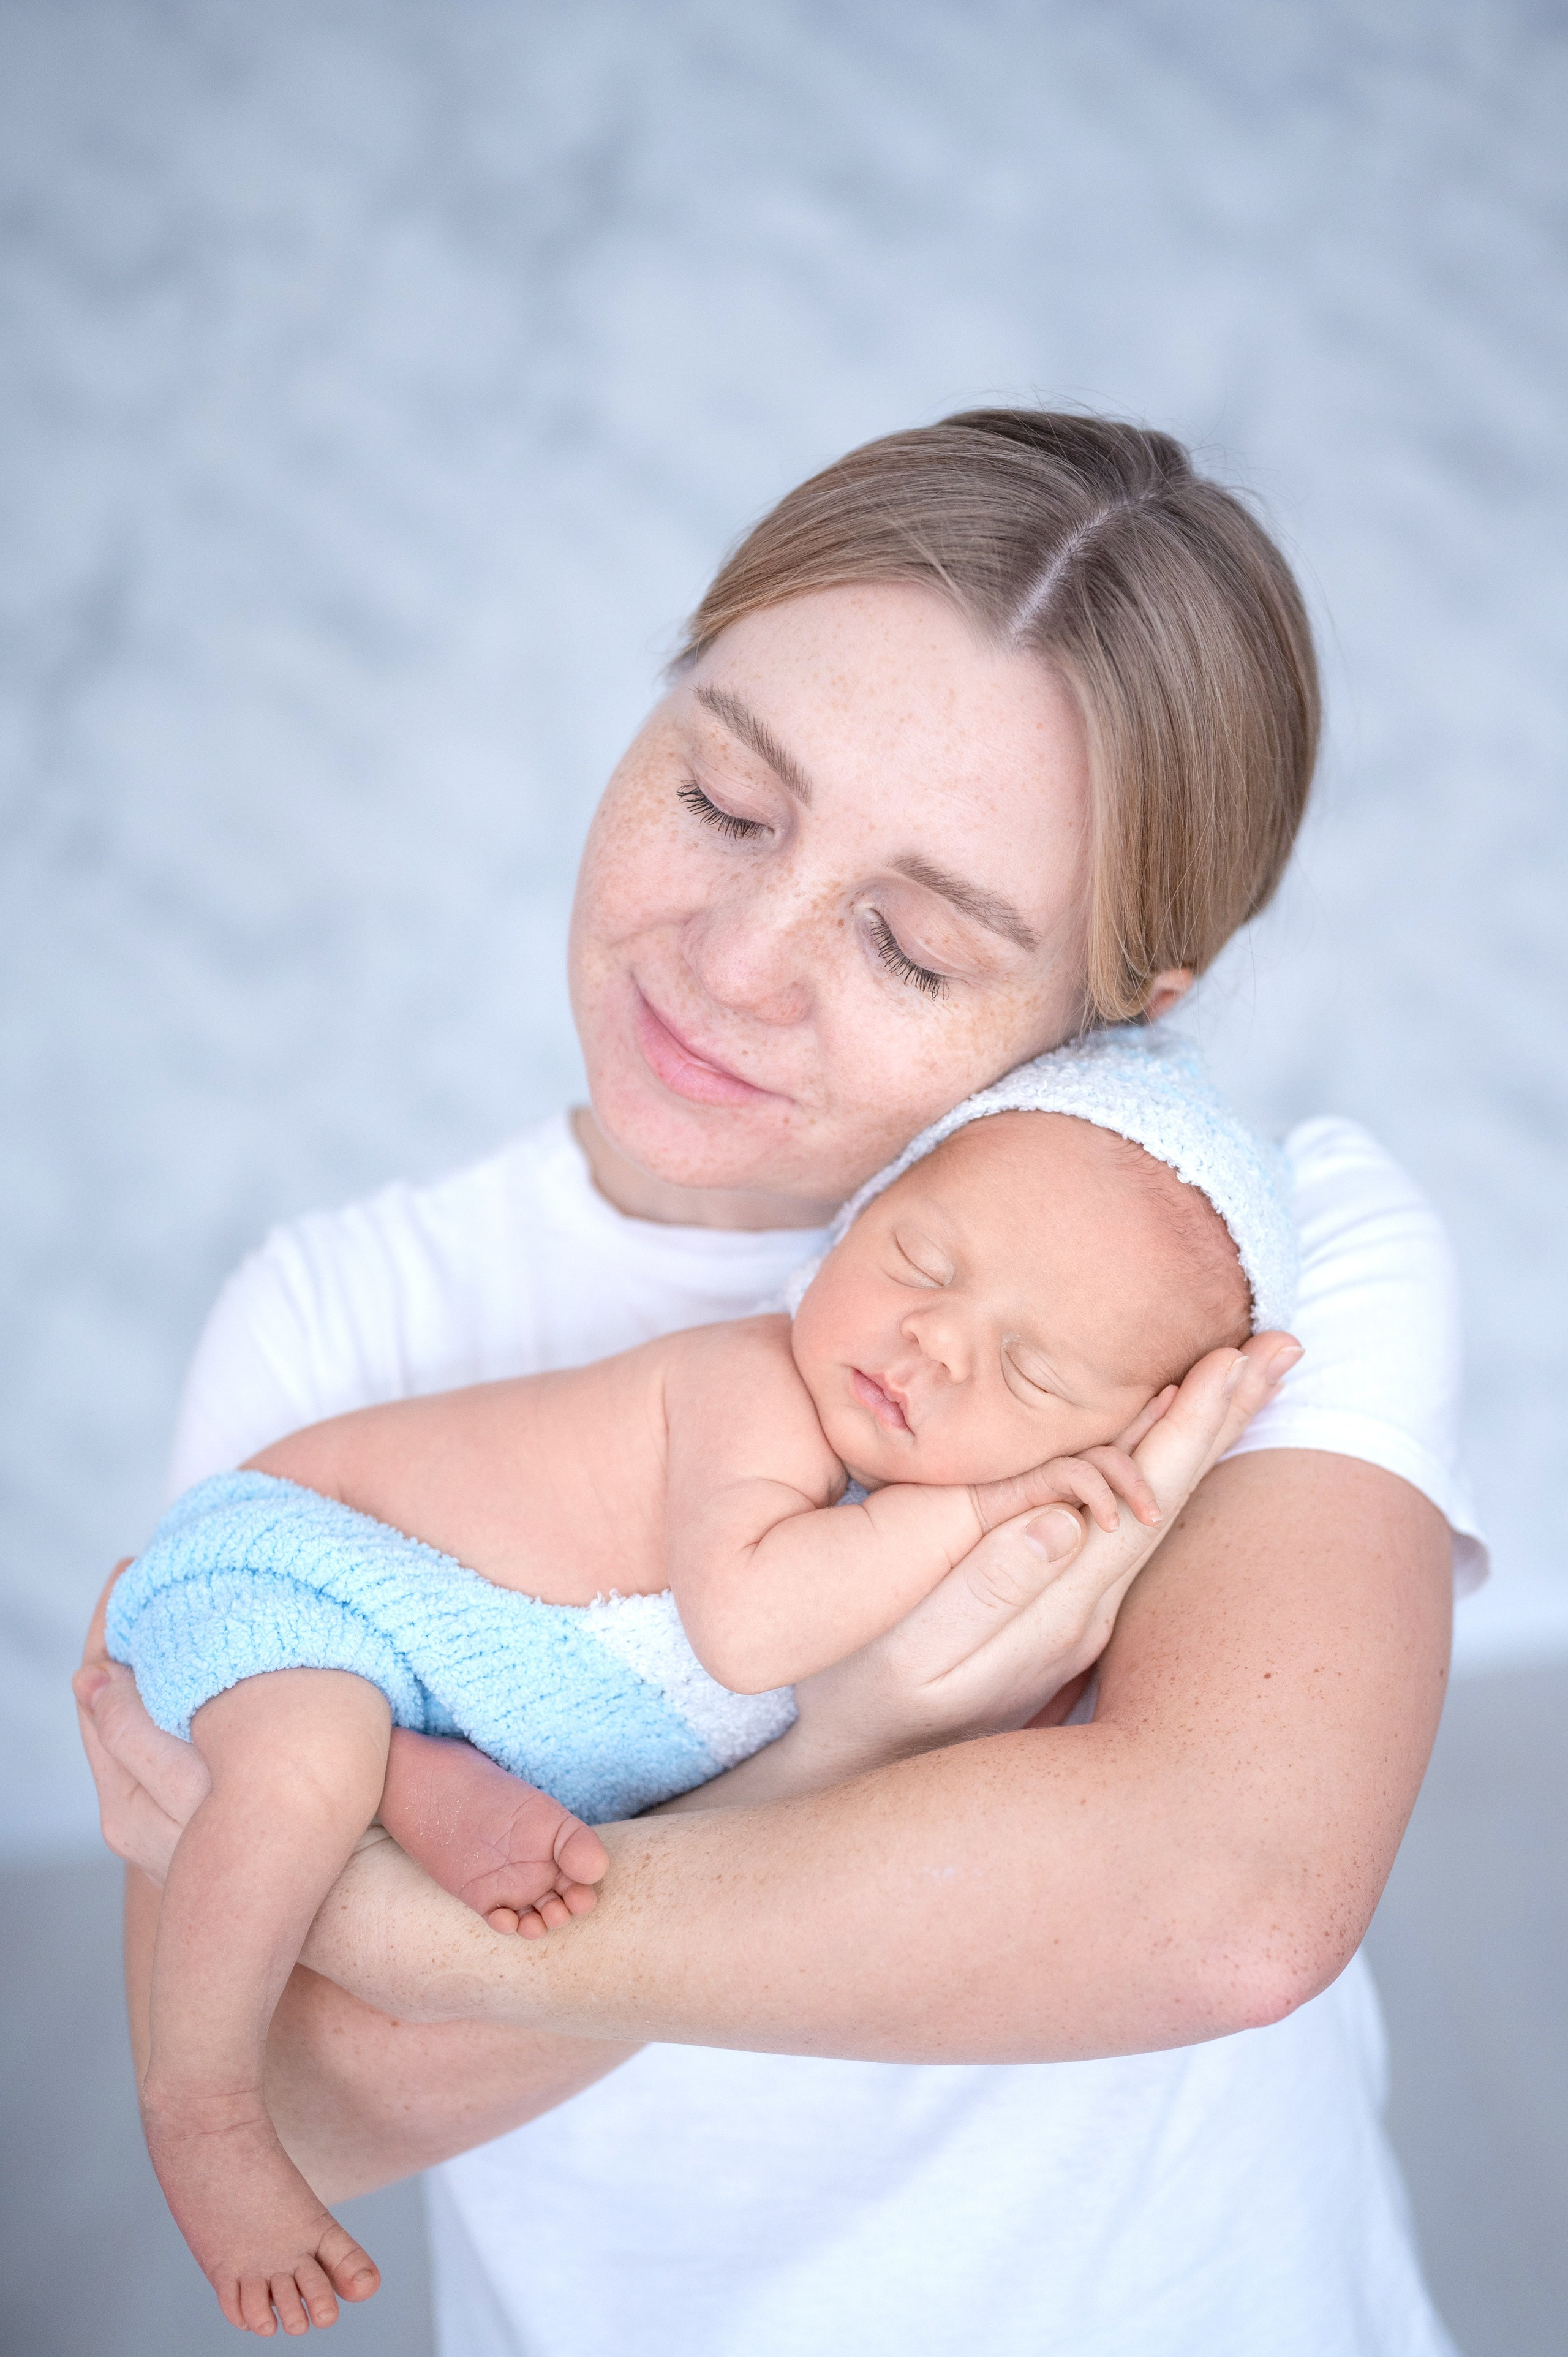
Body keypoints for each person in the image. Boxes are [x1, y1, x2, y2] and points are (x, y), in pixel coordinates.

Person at [75, 410, 1481, 2357]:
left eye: (911, 945)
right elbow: (300, 2098)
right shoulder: (349, 1321)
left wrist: (399, 1926)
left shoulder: (1265, 1273)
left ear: (1133, 1001)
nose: (735, 962)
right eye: (725, 802)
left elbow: (1223, 1906)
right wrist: (846, 1746)